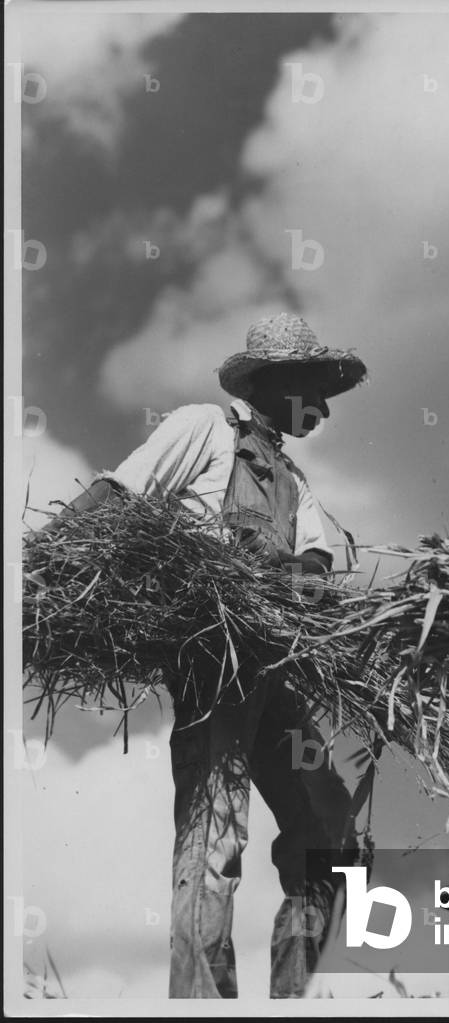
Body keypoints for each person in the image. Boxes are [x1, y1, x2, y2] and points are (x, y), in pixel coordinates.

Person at [48, 313, 369, 998]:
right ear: (276, 382)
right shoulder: (203, 429)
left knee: (331, 833)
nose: (323, 404)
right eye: (314, 387)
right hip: (214, 661)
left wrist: (301, 580)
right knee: (214, 839)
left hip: (273, 668)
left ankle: (293, 1000)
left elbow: (314, 565)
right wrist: (43, 563)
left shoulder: (294, 480)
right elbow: (119, 492)